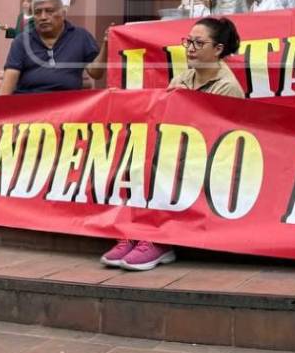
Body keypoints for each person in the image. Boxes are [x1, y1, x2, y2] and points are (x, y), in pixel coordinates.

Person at [101, 17, 244, 271]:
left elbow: (216, 143)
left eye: (198, 43)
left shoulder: (228, 88)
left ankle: (158, 240)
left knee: (163, 168)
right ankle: (131, 233)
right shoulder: (181, 79)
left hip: (205, 165)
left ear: (218, 49)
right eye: (188, 41)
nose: (190, 48)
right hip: (173, 151)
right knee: (132, 161)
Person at [0, 0, 104, 95]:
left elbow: (95, 73)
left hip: (66, 102)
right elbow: (10, 79)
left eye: (49, 11)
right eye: (38, 13)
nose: (43, 17)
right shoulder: (22, 40)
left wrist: (106, 44)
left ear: (63, 14)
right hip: (28, 100)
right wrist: (3, 116)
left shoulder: (80, 36)